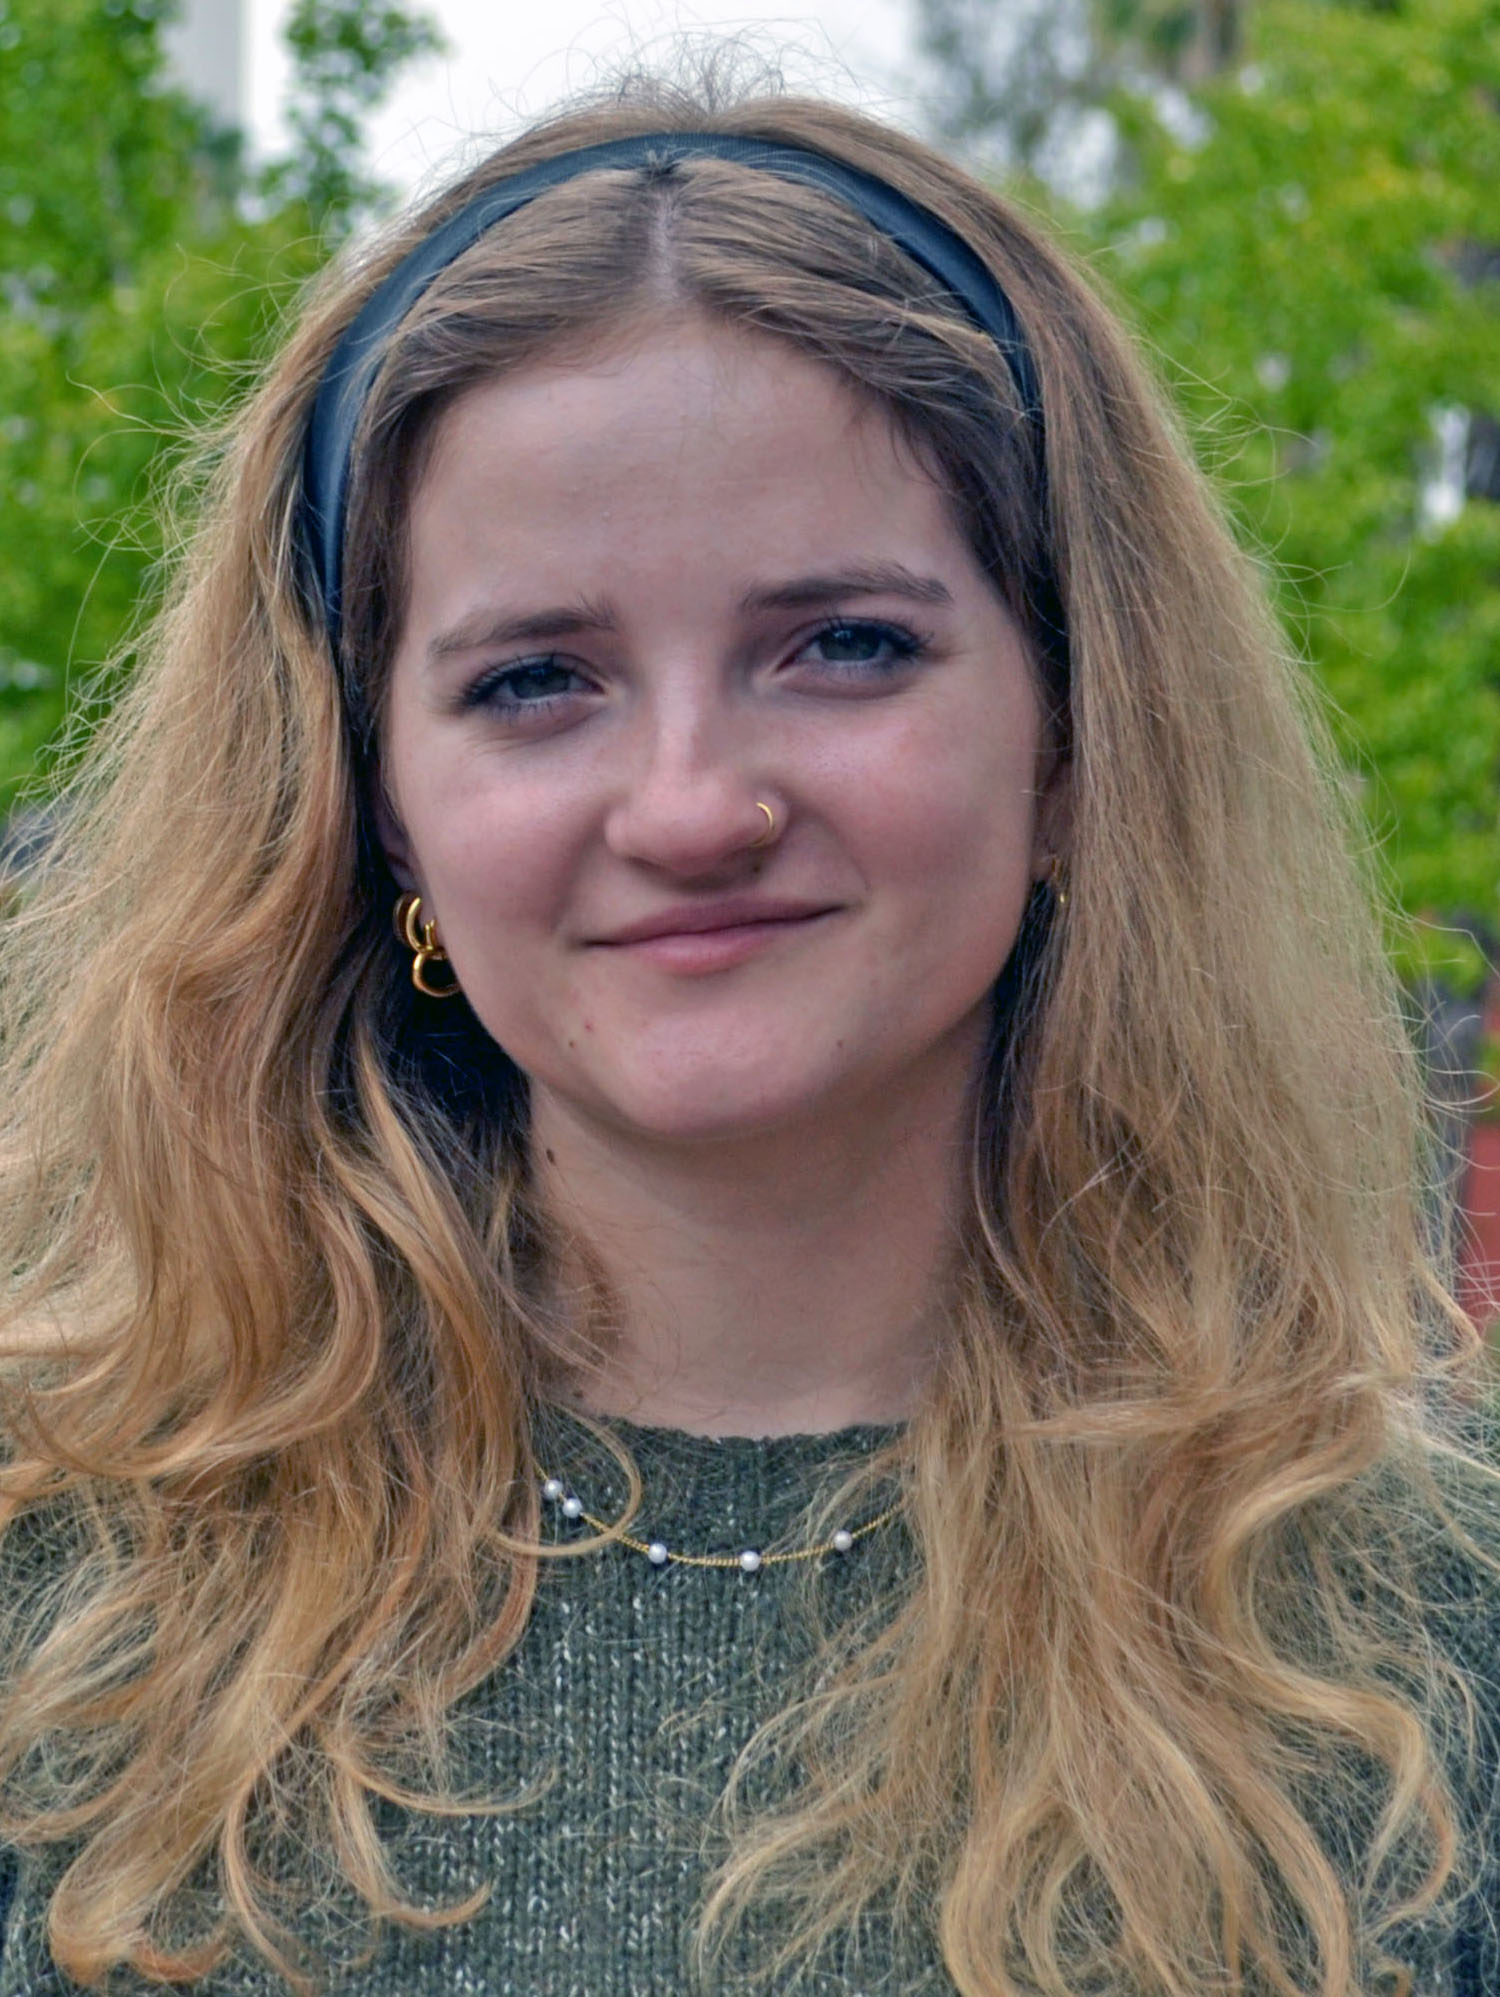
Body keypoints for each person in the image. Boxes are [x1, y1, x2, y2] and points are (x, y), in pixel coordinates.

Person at [0, 73, 1497, 1997]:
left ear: (1075, 736)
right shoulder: (65, 1614)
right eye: (539, 679)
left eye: (844, 644)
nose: (693, 804)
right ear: (372, 802)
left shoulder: (1418, 1636)